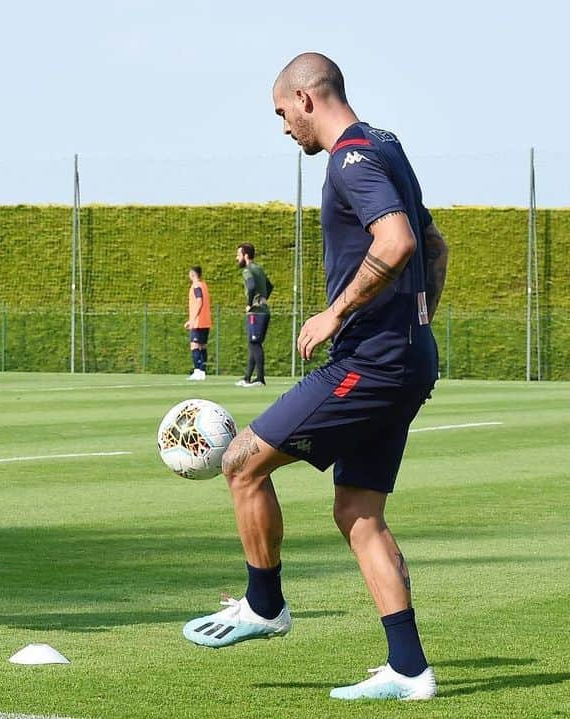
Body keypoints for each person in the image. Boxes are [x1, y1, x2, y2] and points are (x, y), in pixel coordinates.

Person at [182, 54, 448, 701]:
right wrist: (418, 327)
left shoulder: (350, 160)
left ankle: (264, 602)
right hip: (405, 357)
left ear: (305, 98)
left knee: (242, 462)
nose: (282, 128)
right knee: (359, 512)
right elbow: (435, 245)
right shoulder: (387, 145)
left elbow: (398, 241)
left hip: (369, 363)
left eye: (280, 113)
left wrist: (336, 311)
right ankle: (409, 669)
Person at [235, 243, 273, 387]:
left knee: (255, 344)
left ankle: (260, 378)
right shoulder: (259, 269)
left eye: (238, 255)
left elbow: (250, 286)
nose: (236, 258)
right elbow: (270, 286)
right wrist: (263, 299)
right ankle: (247, 377)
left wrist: (251, 303)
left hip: (256, 312)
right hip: (264, 310)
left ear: (245, 256)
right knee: (253, 344)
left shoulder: (247, 270)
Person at [184, 266, 212, 380]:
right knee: (202, 346)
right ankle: (202, 371)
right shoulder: (204, 285)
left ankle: (197, 370)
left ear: (192, 274)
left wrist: (192, 319)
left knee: (194, 345)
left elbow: (199, 301)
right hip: (206, 321)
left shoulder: (196, 286)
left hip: (198, 322)